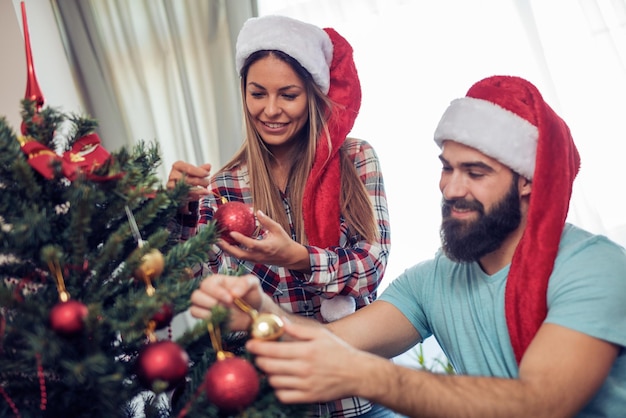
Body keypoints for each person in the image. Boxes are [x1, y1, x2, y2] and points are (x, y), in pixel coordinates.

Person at [190, 75, 626, 417]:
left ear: (527, 179)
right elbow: (330, 340)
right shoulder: (434, 281)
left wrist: (370, 377)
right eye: (447, 167)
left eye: (475, 172)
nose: (451, 188)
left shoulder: (593, 267)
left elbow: (542, 405)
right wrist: (259, 311)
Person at [167, 15, 393, 418]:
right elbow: (195, 288)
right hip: (278, 400)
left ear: (312, 95)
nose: (271, 110)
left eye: (288, 95)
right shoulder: (224, 187)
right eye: (258, 94)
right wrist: (178, 212)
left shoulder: (355, 159)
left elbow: (372, 265)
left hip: (359, 395)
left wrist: (298, 258)